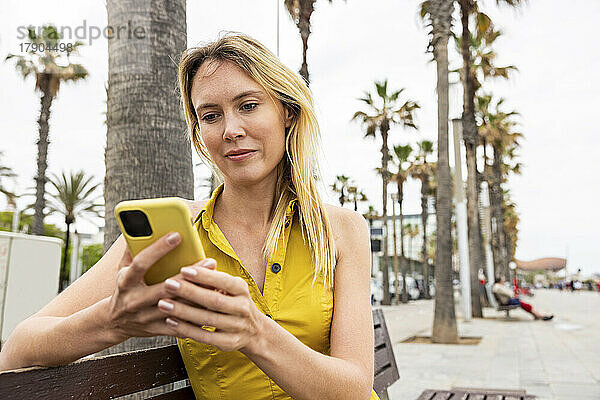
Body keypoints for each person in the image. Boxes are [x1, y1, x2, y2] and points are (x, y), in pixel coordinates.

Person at [0, 33, 380, 400]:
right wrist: (110, 321)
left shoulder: (342, 229)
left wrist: (255, 333)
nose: (231, 130)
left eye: (247, 105)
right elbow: (16, 351)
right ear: (200, 133)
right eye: (211, 115)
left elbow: (355, 389)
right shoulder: (171, 232)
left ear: (288, 113)